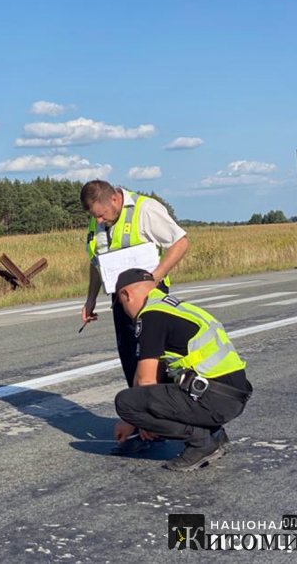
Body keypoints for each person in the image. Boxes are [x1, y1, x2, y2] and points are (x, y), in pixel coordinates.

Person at [80, 180, 189, 454]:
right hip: (121, 299)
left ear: (115, 199)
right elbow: (98, 264)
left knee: (154, 361)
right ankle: (145, 423)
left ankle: (167, 421)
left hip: (151, 298)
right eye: (94, 216)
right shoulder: (98, 222)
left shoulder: (145, 209)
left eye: (101, 214)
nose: (99, 220)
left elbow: (180, 242)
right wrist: (91, 299)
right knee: (131, 359)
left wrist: (156, 277)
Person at [112, 268, 253, 471]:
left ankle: (200, 442)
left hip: (214, 398)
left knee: (125, 402)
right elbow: (154, 369)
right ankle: (214, 434)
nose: (126, 311)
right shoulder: (172, 306)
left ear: (126, 295)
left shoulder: (151, 315)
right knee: (168, 379)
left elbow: (145, 380)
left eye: (123, 304)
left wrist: (134, 419)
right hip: (232, 395)